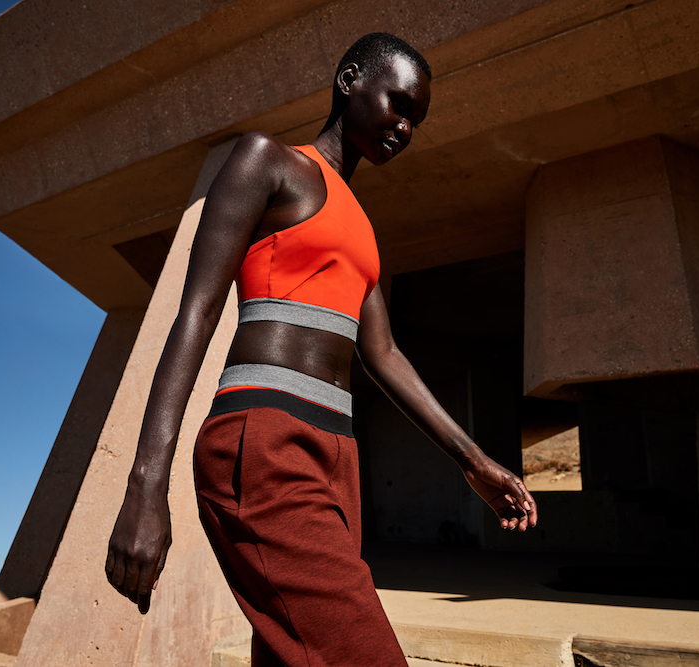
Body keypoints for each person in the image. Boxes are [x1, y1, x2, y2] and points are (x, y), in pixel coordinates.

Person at [106, 32, 538, 666]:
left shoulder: (362, 228)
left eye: (415, 120)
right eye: (398, 104)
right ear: (350, 80)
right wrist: (146, 485)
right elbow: (196, 311)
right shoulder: (268, 161)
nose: (405, 127)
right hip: (264, 442)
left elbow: (384, 355)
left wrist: (473, 461)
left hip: (339, 459)